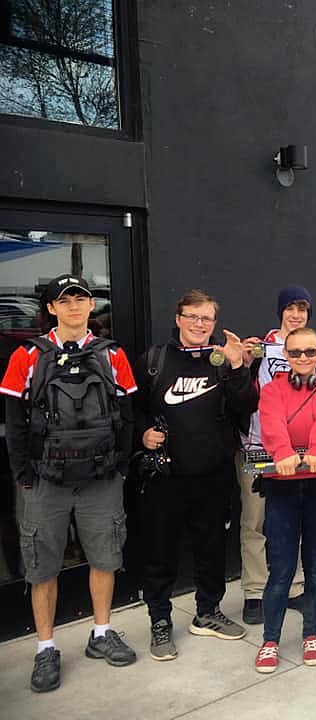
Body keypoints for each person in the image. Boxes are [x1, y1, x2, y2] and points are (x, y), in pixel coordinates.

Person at [1, 274, 138, 692]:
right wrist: (23, 475)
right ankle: (45, 648)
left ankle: (101, 634)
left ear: (90, 306)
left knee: (104, 557)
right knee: (42, 566)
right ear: (52, 309)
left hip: (101, 478)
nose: (76, 305)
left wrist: (121, 467)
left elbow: (128, 414)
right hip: (46, 481)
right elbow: (14, 422)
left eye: (82, 298)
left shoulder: (112, 355)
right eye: (66, 300)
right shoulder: (27, 356)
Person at [134, 289, 258, 661]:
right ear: (178, 319)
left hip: (214, 475)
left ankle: (208, 612)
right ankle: (159, 621)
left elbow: (247, 407)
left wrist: (239, 368)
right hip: (166, 478)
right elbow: (130, 409)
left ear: (214, 324)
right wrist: (141, 435)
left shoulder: (222, 360)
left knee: (211, 550)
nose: (199, 324)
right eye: (193, 317)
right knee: (161, 553)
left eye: (207, 319)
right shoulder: (154, 360)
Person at [237, 285, 316, 625]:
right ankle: (253, 591)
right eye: (291, 308)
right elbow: (244, 391)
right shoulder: (259, 347)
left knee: (292, 523)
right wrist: (243, 361)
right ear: (280, 311)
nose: (296, 315)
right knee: (255, 520)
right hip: (259, 447)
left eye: (303, 309)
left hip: (305, 456)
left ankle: (293, 587)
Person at [252, 327, 316, 672]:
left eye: (310, 352)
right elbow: (272, 423)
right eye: (296, 353)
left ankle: (312, 633)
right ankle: (270, 639)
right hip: (283, 485)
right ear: (286, 355)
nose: (303, 358)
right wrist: (282, 452)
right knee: (280, 568)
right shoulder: (272, 389)